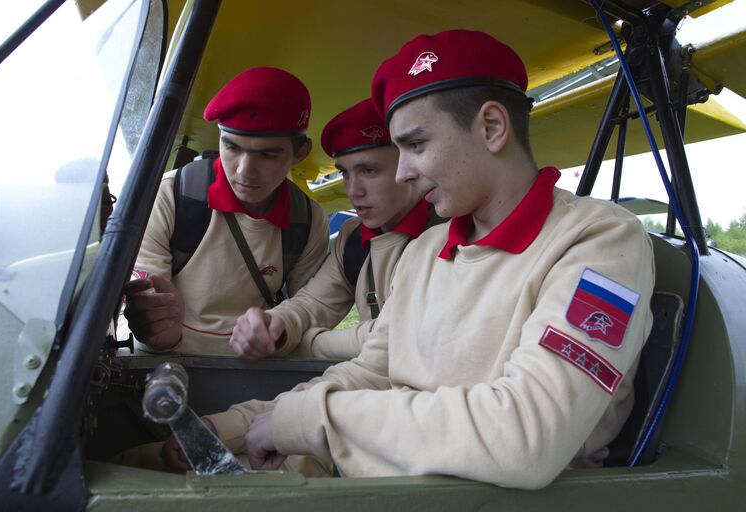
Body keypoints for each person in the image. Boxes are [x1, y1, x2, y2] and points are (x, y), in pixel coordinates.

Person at [172, 30, 656, 489]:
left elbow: (526, 438)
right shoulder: (427, 250)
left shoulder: (600, 241)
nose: (403, 172)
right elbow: (373, 372)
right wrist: (237, 427)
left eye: (416, 144)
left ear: (491, 127)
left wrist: (309, 420)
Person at [122, 67, 329, 355]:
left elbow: (310, 307)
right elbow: (147, 312)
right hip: (164, 364)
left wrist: (280, 334)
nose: (245, 171)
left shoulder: (308, 220)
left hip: (258, 373)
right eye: (231, 147)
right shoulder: (169, 196)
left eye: (268, 154)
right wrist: (159, 331)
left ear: (300, 153)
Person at [228, 98, 444, 361]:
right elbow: (313, 304)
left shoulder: (452, 232)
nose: (353, 191)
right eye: (345, 173)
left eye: (368, 170)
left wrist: (309, 345)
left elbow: (399, 335)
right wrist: (275, 326)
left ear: (409, 164)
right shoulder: (353, 236)